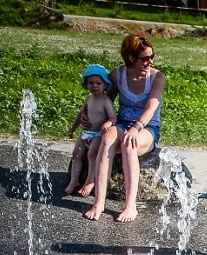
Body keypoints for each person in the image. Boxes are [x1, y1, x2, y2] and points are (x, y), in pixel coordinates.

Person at [83, 35, 165, 223]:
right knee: (106, 141)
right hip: (122, 123)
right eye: (145, 58)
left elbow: (151, 107)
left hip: (147, 127)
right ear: (130, 58)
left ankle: (130, 206)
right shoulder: (117, 75)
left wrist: (136, 128)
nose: (150, 61)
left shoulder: (156, 77)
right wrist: (92, 118)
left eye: (152, 56)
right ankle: (99, 202)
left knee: (129, 145)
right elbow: (105, 101)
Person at [64, 64, 115, 197]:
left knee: (92, 154)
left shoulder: (105, 101)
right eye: (91, 83)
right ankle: (74, 181)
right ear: (86, 84)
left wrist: (107, 124)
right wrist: (72, 129)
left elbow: (112, 117)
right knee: (76, 154)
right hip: (87, 133)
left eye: (98, 83)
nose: (94, 86)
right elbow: (81, 116)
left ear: (105, 85)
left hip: (99, 134)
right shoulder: (88, 99)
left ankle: (90, 181)